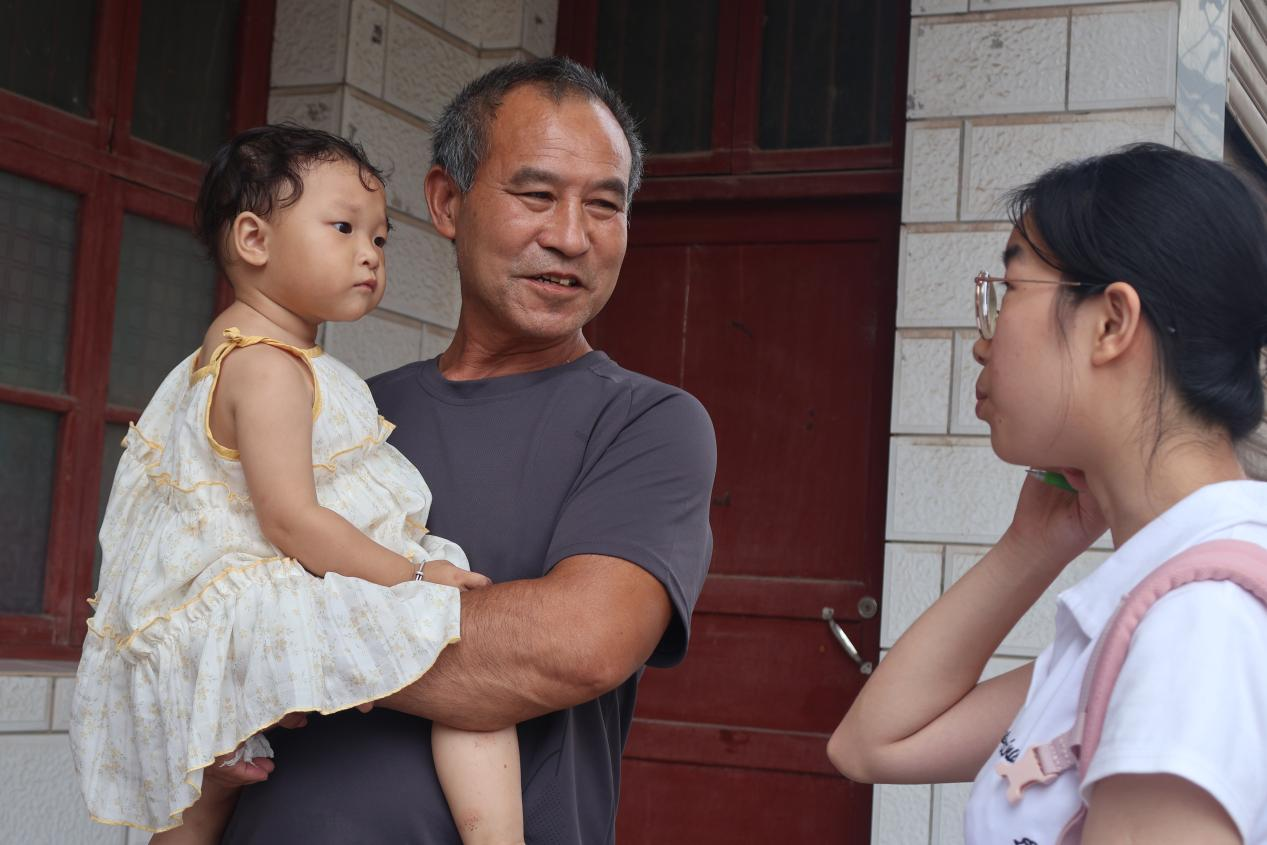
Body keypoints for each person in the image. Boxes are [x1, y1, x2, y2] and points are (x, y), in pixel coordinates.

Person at [216, 58, 717, 844]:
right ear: (447, 202)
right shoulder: (344, 412)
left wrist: (270, 642)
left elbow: (574, 646)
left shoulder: (645, 423)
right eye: (536, 195)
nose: (570, 237)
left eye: (604, 205)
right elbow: (203, 597)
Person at [71, 123, 529, 845]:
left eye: (379, 238)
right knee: (464, 663)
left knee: (203, 807)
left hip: (214, 613)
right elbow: (291, 519)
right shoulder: (268, 367)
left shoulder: (229, 349)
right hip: (259, 601)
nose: (369, 254)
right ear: (254, 240)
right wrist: (414, 574)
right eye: (343, 228)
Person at [828, 143, 1267, 843]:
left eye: (1008, 290)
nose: (982, 342)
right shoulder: (1154, 607)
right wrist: (1029, 546)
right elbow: (870, 745)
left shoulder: (1199, 625)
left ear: (1111, 323)